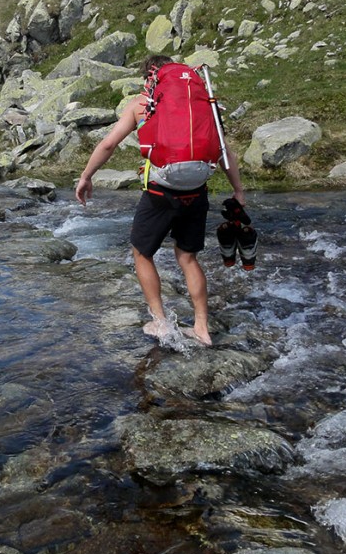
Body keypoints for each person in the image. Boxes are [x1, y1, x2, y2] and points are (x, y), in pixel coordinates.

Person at [74, 55, 247, 346]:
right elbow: (225, 152)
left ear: (150, 78)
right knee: (188, 258)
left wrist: (86, 176)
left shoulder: (143, 103)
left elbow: (108, 144)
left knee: (142, 253)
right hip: (197, 190)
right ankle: (202, 328)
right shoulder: (203, 104)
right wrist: (238, 190)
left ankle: (160, 322)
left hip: (160, 193)